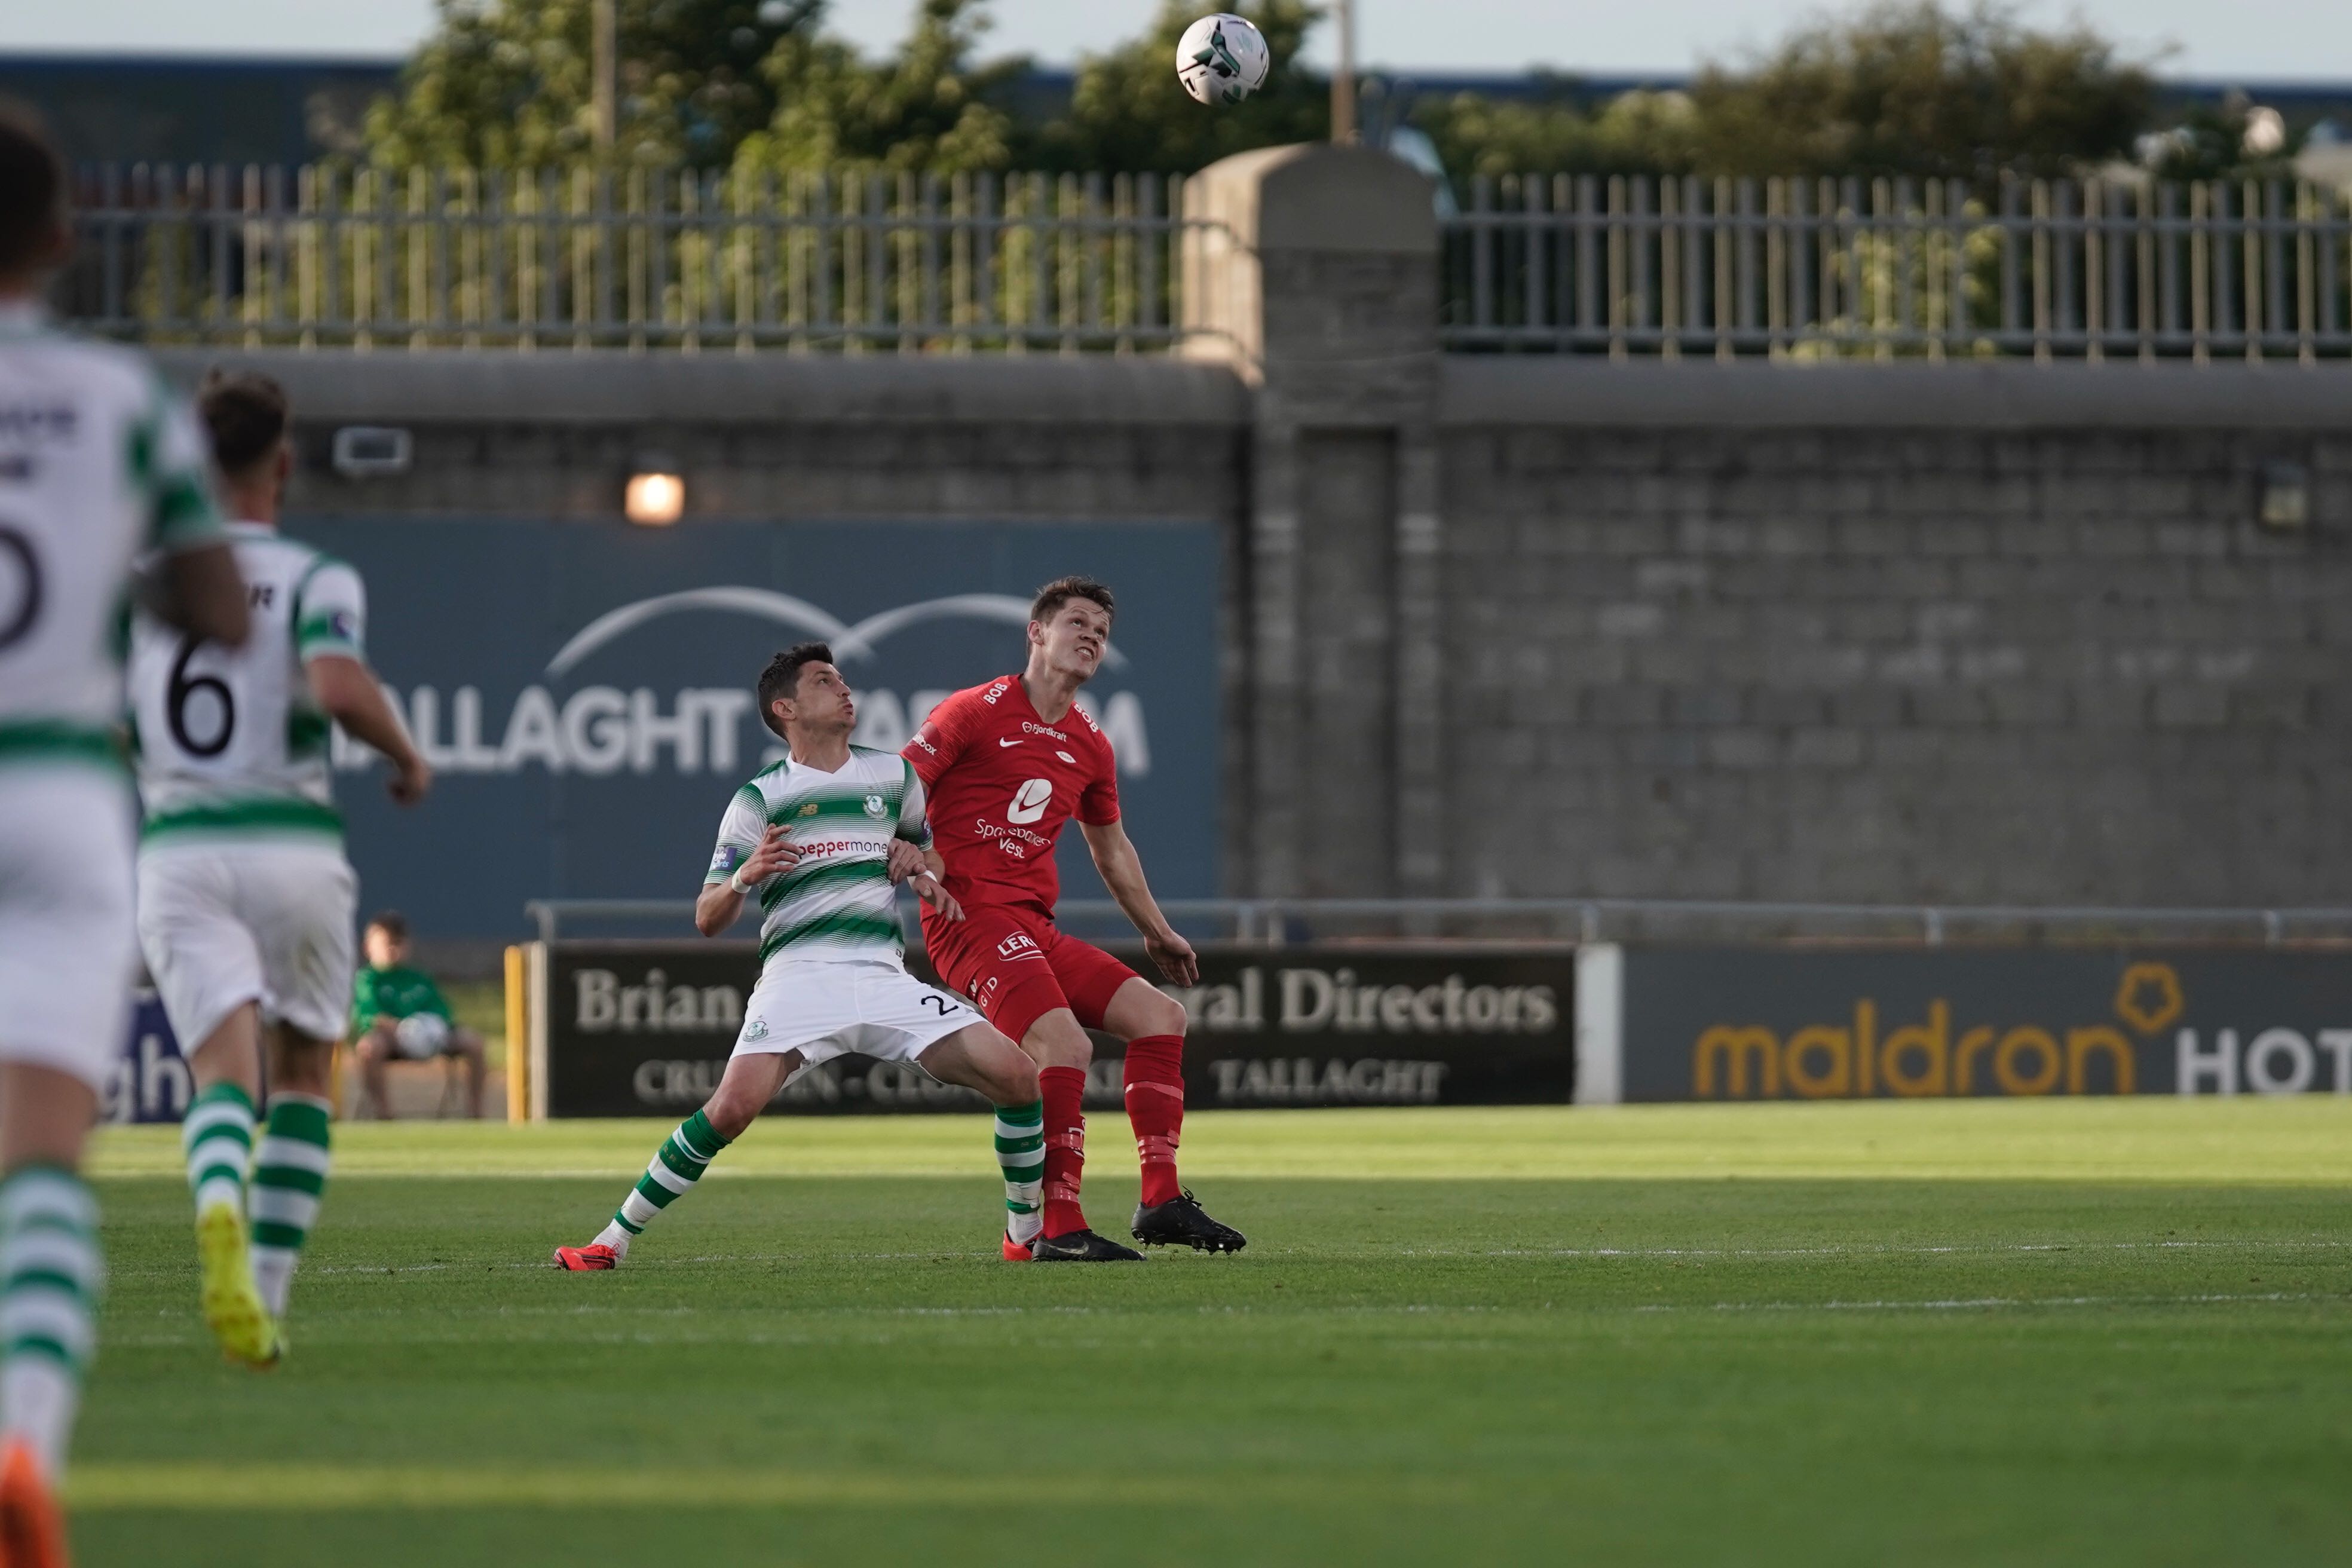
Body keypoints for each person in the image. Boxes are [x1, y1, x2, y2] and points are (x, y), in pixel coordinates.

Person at [0, 105, 251, 1565]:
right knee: (40, 1163)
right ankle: (25, 1447)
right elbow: (216, 607)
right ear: (60, 237)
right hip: (58, 795)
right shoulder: (116, 397)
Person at [552, 643, 1043, 1271]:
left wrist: (919, 863)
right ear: (785, 709)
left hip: (883, 977)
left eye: (842, 680)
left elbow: (930, 856)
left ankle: (1025, 1236)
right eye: (824, 681)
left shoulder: (894, 778)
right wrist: (745, 875)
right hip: (800, 978)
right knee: (730, 1110)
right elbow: (707, 917)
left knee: (1018, 1076)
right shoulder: (759, 799)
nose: (844, 689)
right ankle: (610, 1241)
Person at [129, 369, 432, 1372]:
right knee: (303, 1072)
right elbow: (338, 687)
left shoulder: (144, 581)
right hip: (289, 843)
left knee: (222, 1076)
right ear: (285, 465)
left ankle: (217, 1191)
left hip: (178, 847)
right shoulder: (313, 576)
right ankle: (263, 1293)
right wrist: (407, 755)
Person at [906, 576, 1246, 1263]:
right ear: (1037, 632)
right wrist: (918, 852)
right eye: (1078, 623)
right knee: (1065, 1045)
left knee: (1161, 1017)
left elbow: (1111, 847)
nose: (1091, 636)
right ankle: (1058, 1227)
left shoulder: (1090, 742)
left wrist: (1156, 929)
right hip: (970, 919)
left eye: (1102, 631)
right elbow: (900, 787)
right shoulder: (975, 709)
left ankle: (1161, 1199)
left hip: (1034, 925)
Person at [351, 911, 486, 1120]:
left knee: (473, 1042)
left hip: (429, 1036)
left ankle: (475, 1113)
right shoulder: (368, 980)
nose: (393, 950)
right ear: (368, 947)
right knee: (368, 1048)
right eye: (387, 944)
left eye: (399, 943)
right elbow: (370, 1015)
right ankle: (384, 1114)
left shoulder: (418, 978)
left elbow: (441, 1011)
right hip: (390, 1039)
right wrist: (402, 1030)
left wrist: (429, 1028)